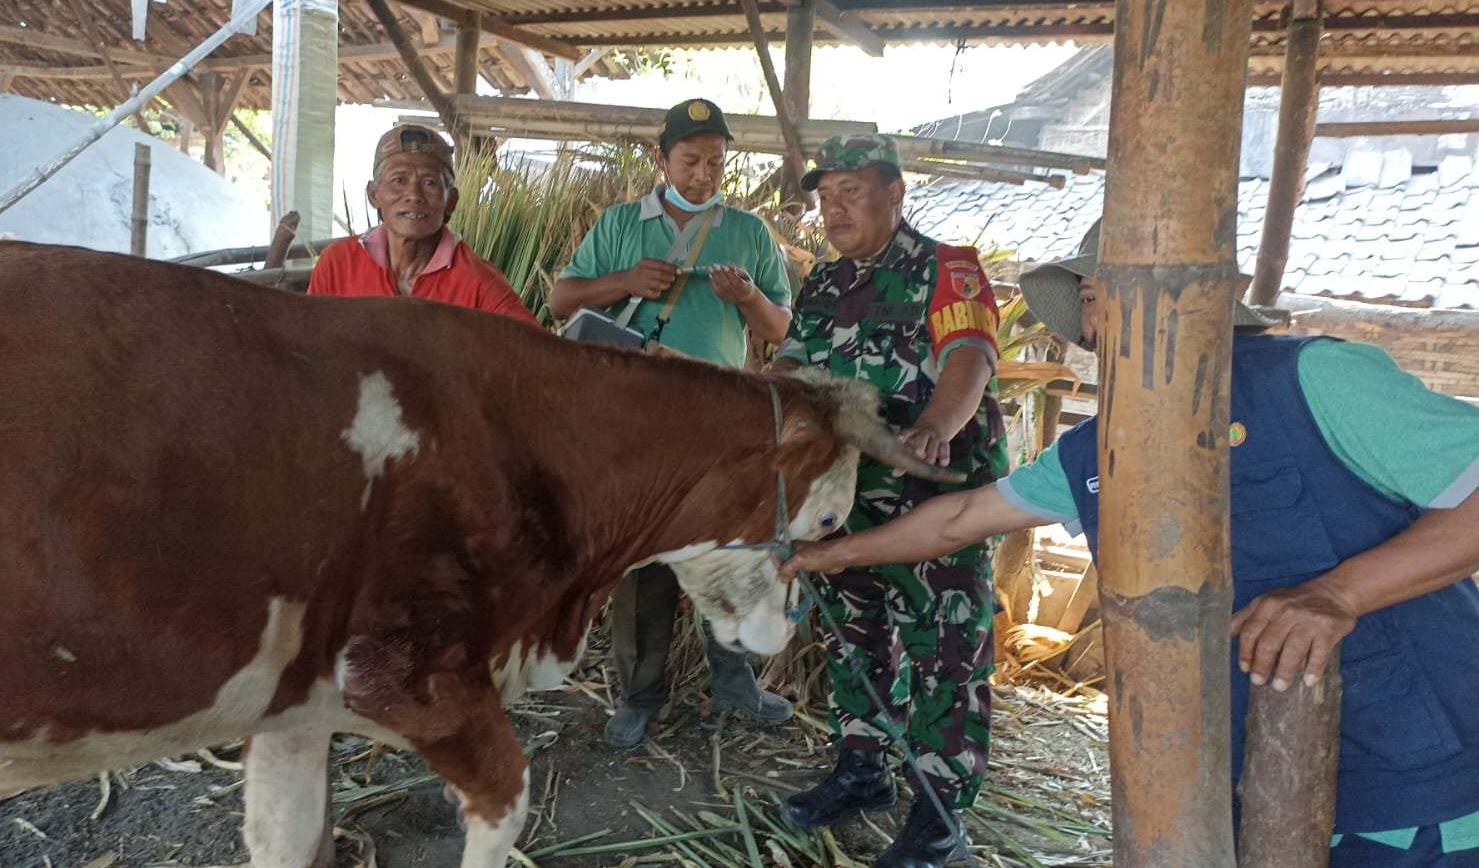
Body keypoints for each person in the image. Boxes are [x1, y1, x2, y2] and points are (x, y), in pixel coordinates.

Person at [780, 220, 1479, 867]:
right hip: (1236, 775)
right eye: (1088, 297)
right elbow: (957, 518)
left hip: (1419, 781)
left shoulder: (1310, 379)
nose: (1095, 315)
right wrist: (824, 555)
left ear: (1198, 298)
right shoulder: (1094, 448)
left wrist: (1340, 593)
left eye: (1111, 291)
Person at [769, 134, 1007, 868]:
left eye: (851, 191)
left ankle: (939, 811)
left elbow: (970, 356)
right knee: (855, 637)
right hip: (847, 499)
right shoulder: (823, 282)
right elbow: (792, 369)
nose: (833, 208)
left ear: (895, 193)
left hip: (935, 501)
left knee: (946, 651)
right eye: (825, 196)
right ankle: (862, 769)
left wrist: (936, 424)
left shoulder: (947, 268)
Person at [547, 98, 797, 749]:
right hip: (635, 428)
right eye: (689, 161)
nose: (703, 174)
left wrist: (747, 297)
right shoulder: (620, 224)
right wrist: (624, 281)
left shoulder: (748, 232)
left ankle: (735, 681)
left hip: (719, 428)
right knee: (643, 560)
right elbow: (561, 299)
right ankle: (640, 697)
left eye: (715, 162)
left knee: (731, 552)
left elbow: (783, 329)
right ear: (661, 160)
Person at [306, 122, 537, 324]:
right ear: (374, 195)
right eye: (399, 180)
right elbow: (308, 343)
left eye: (429, 183)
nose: (414, 195)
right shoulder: (338, 264)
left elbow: (529, 348)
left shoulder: (478, 281)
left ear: (451, 201)